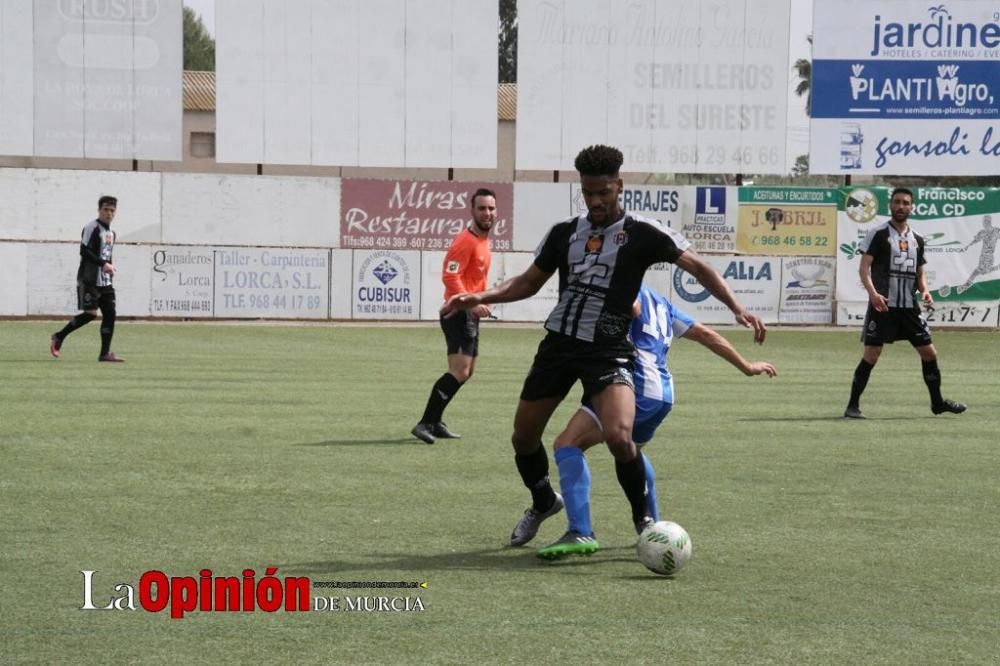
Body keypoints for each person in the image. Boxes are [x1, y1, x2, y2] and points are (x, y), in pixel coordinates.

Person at [441, 145, 766, 550]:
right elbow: (526, 283)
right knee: (523, 438)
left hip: (609, 349)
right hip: (559, 346)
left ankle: (644, 519)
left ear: (619, 187)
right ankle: (544, 502)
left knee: (620, 435)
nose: (595, 200)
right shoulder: (564, 233)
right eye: (588, 192)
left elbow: (698, 267)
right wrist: (477, 297)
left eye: (603, 192)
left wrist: (736, 307)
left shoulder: (645, 233)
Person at [537, 284, 776, 559]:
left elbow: (631, 307)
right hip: (661, 395)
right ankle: (651, 527)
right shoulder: (662, 302)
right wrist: (746, 366)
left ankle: (580, 530)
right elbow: (705, 334)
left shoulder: (622, 283)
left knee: (568, 443)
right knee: (629, 451)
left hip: (631, 385)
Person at [844, 187, 964, 419]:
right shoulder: (878, 234)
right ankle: (852, 406)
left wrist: (926, 291)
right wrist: (873, 294)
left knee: (929, 353)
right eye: (897, 202)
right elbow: (864, 268)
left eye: (905, 202)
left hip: (909, 307)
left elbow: (920, 273)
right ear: (890, 205)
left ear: (912, 207)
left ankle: (937, 403)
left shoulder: (917, 239)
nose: (901, 206)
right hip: (884, 306)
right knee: (872, 355)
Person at [411, 188, 498, 444]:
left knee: (466, 371)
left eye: (491, 208)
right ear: (472, 210)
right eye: (482, 208)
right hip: (458, 314)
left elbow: (474, 279)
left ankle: (435, 422)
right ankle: (425, 422)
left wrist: (481, 300)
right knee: (459, 371)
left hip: (469, 314)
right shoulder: (465, 241)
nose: (487, 213)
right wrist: (469, 304)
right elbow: (450, 276)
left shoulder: (483, 241)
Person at [49, 195, 124, 363]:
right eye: (105, 209)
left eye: (112, 210)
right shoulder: (92, 227)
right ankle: (59, 336)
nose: (109, 213)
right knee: (90, 314)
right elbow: (84, 251)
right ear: (99, 210)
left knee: (110, 314)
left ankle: (105, 354)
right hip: (89, 279)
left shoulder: (112, 233)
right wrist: (103, 263)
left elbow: (106, 255)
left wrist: (109, 267)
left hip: (105, 281)